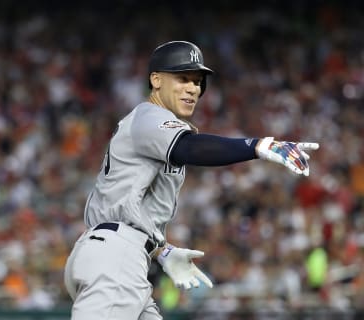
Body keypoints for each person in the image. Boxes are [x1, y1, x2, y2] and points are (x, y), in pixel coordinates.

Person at [64, 40, 319, 320]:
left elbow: (133, 206)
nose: (193, 88)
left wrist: (161, 251)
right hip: (115, 257)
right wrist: (257, 146)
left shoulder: (151, 125)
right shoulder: (150, 116)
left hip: (121, 255)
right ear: (156, 80)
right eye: (183, 78)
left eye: (197, 82)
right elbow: (189, 147)